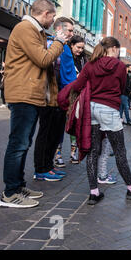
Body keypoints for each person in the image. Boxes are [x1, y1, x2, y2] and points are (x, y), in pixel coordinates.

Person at [0, 0, 68, 209]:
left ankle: (18, 186)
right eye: (53, 16)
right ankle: (10, 193)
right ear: (46, 14)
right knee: (18, 144)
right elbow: (43, 59)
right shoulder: (26, 28)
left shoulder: (34, 30)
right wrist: (59, 41)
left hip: (30, 95)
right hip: (23, 94)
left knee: (23, 143)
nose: (53, 20)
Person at [68, 37, 131, 205]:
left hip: (91, 109)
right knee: (120, 151)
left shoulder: (90, 65)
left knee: (93, 151)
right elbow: (121, 88)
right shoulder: (120, 67)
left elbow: (77, 85)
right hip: (109, 110)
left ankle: (94, 193)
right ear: (114, 48)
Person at [33, 17, 75, 182]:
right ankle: (41, 169)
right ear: (59, 29)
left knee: (56, 134)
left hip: (62, 97)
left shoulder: (65, 48)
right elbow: (49, 67)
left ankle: (48, 165)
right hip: (51, 97)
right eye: (69, 30)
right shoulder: (52, 44)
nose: (72, 34)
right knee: (46, 133)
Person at [54, 35, 86, 167]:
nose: (80, 50)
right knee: (60, 126)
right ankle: (58, 154)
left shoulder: (83, 60)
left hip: (76, 98)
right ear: (71, 45)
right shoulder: (64, 56)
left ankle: (73, 153)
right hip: (64, 96)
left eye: (82, 48)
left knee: (74, 124)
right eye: (78, 47)